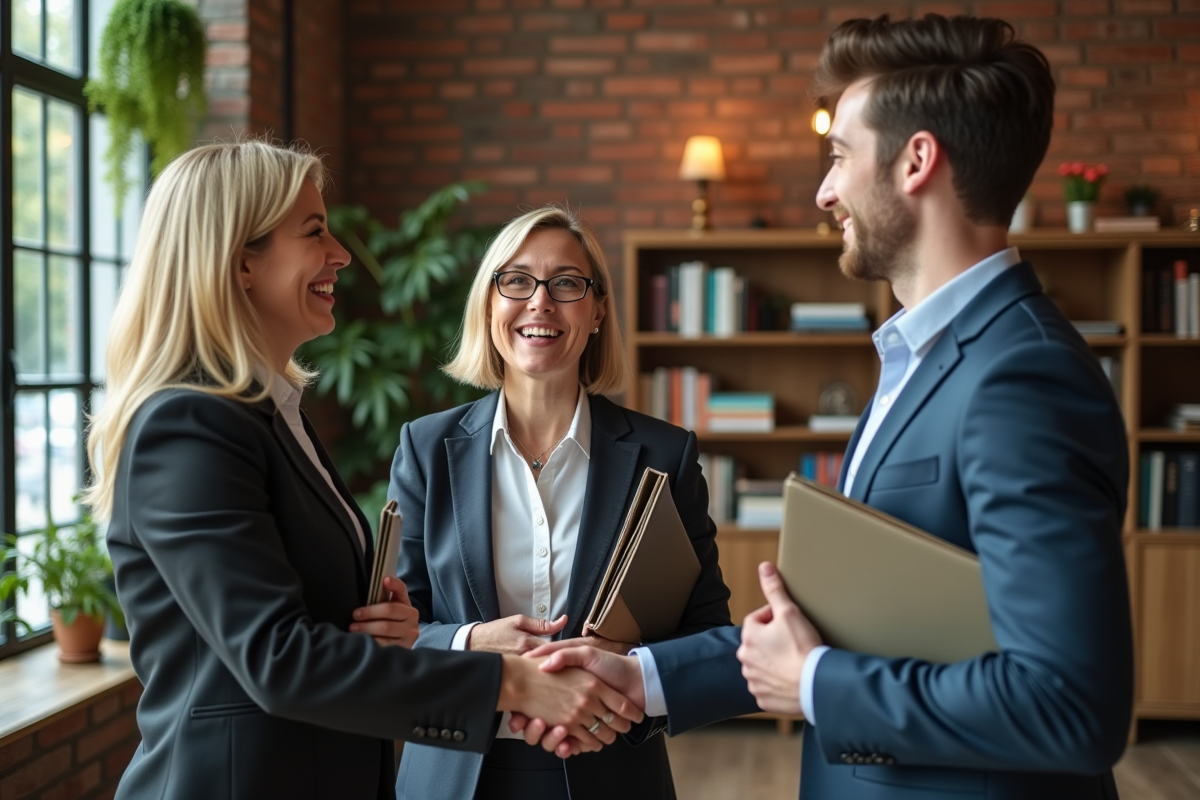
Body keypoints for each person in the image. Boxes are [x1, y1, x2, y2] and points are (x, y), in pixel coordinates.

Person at [523, 14, 1134, 800]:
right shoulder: (919, 361)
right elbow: (853, 631)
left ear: (917, 160)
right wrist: (642, 677)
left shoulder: (1022, 377)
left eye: (840, 156)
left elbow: (1073, 707)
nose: (823, 190)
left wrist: (814, 686)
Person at [83, 141, 643, 800]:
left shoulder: (270, 414)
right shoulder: (191, 425)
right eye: (315, 232)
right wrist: (514, 680)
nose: (341, 254)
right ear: (240, 263)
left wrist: (391, 629)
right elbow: (279, 660)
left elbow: (298, 622)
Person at [388, 204, 732, 800]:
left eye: (567, 284)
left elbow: (712, 640)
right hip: (452, 772)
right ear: (489, 305)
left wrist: (630, 675)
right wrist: (471, 642)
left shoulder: (664, 456)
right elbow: (390, 634)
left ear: (597, 311)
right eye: (516, 281)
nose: (540, 303)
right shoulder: (425, 449)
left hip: (613, 771)